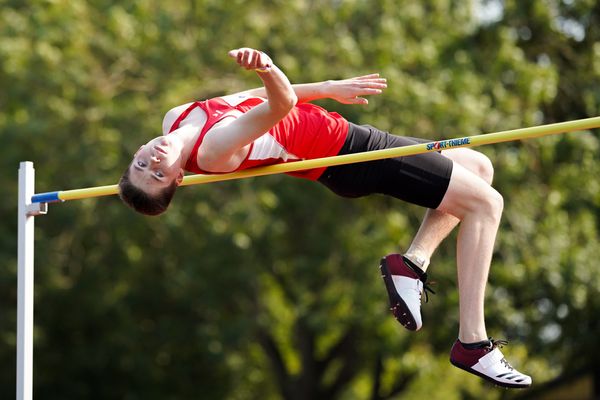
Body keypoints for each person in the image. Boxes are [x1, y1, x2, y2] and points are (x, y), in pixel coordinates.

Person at [118, 48, 532, 388]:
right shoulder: (211, 151)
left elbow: (247, 98)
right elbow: (279, 104)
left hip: (347, 143)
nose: (152, 162)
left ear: (136, 150)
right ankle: (472, 342)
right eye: (158, 176)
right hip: (351, 158)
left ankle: (412, 264)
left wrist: (329, 88)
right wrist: (267, 67)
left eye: (142, 165)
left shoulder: (175, 117)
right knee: (486, 204)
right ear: (178, 177)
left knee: (477, 168)